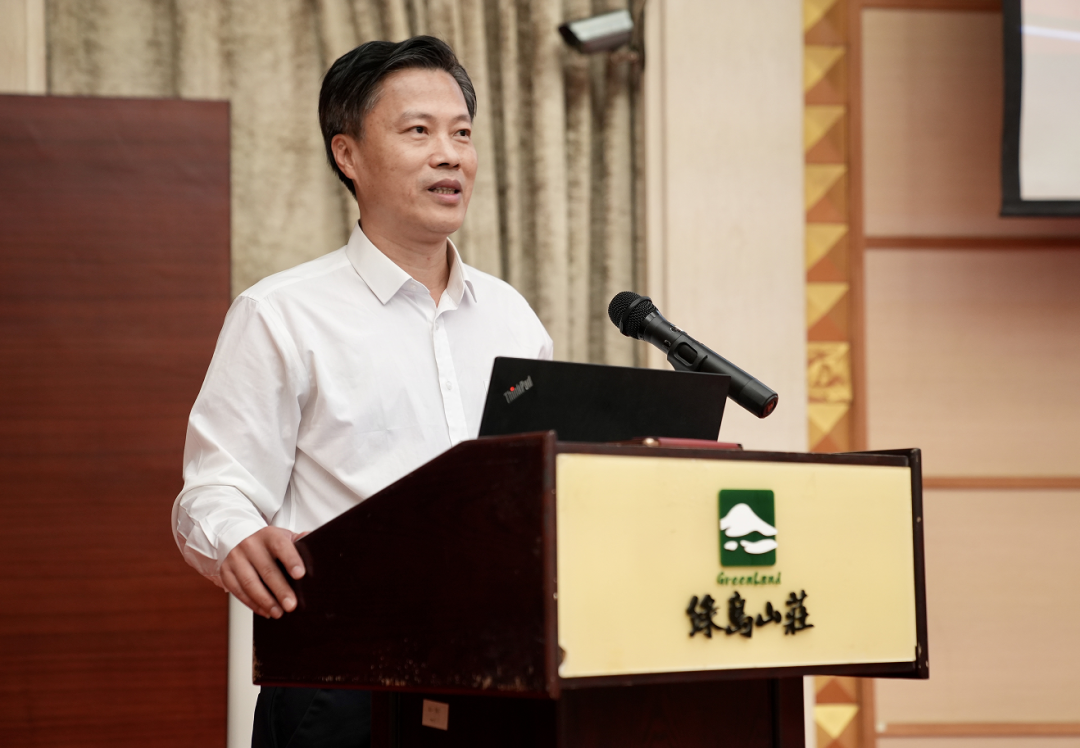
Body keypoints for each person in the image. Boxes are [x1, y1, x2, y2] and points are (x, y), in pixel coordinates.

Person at [172, 36, 552, 747]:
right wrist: (239, 537)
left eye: (462, 134)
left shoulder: (512, 318)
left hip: (497, 674)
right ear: (347, 154)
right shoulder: (281, 313)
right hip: (339, 682)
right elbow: (212, 491)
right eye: (419, 131)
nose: (450, 156)